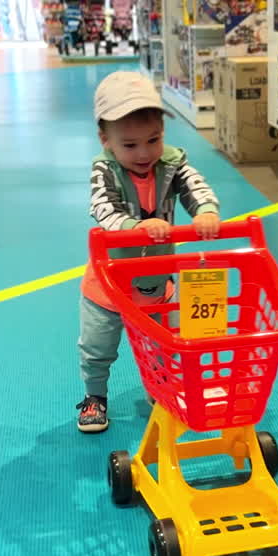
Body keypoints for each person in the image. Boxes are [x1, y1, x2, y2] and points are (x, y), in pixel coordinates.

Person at [77, 71, 220, 433]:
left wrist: (205, 210)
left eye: (153, 140)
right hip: (108, 284)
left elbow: (194, 185)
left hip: (155, 281)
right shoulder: (104, 169)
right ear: (105, 140)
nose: (144, 153)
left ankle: (160, 387)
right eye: (129, 145)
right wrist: (134, 226)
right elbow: (103, 209)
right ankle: (95, 397)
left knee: (160, 343)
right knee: (98, 346)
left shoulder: (171, 163)